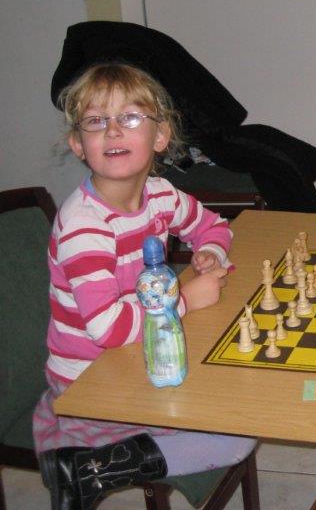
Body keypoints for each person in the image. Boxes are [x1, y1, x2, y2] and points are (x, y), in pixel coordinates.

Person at [33, 63, 257, 510]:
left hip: (138, 356)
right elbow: (109, 329)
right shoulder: (85, 228)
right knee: (237, 436)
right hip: (93, 381)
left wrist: (210, 252)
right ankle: (86, 468)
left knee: (240, 394)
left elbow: (212, 226)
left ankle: (92, 461)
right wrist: (185, 298)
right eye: (96, 121)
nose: (113, 130)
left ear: (160, 136)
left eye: (130, 117)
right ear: (78, 144)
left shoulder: (160, 194)